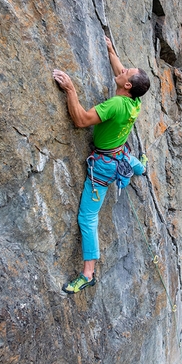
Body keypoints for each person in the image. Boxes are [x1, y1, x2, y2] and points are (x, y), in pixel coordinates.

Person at [53, 36, 150, 294]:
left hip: (105, 166)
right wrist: (109, 49)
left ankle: (88, 274)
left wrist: (71, 90)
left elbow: (82, 120)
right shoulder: (135, 100)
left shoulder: (116, 104)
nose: (122, 69)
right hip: (119, 153)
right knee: (131, 161)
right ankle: (141, 167)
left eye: (126, 72)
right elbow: (120, 70)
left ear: (127, 84)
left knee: (87, 217)